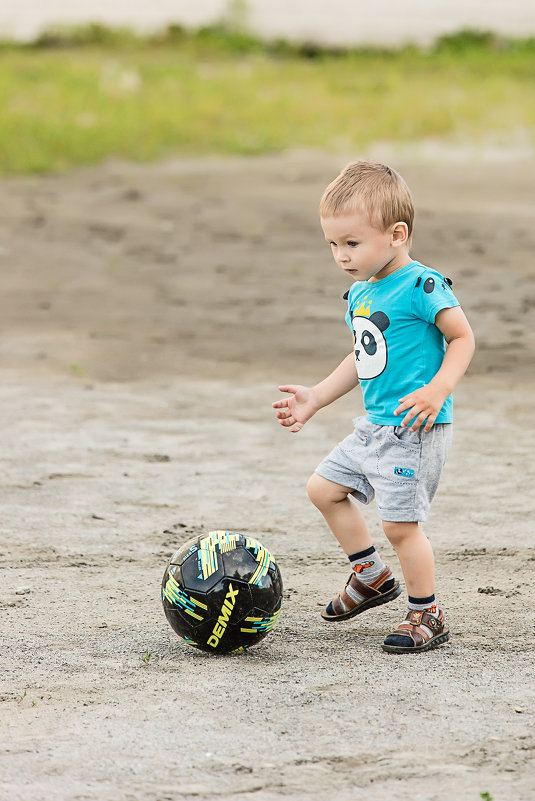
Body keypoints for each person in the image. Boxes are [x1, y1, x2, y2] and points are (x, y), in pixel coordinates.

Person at [272, 161, 475, 653]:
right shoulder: (361, 291)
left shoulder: (423, 286)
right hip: (374, 427)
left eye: (351, 243)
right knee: (323, 489)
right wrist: (317, 396)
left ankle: (427, 613)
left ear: (396, 234)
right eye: (332, 245)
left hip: (414, 427)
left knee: (400, 526)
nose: (341, 256)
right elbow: (363, 355)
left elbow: (463, 338)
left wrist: (438, 389)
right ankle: (370, 575)